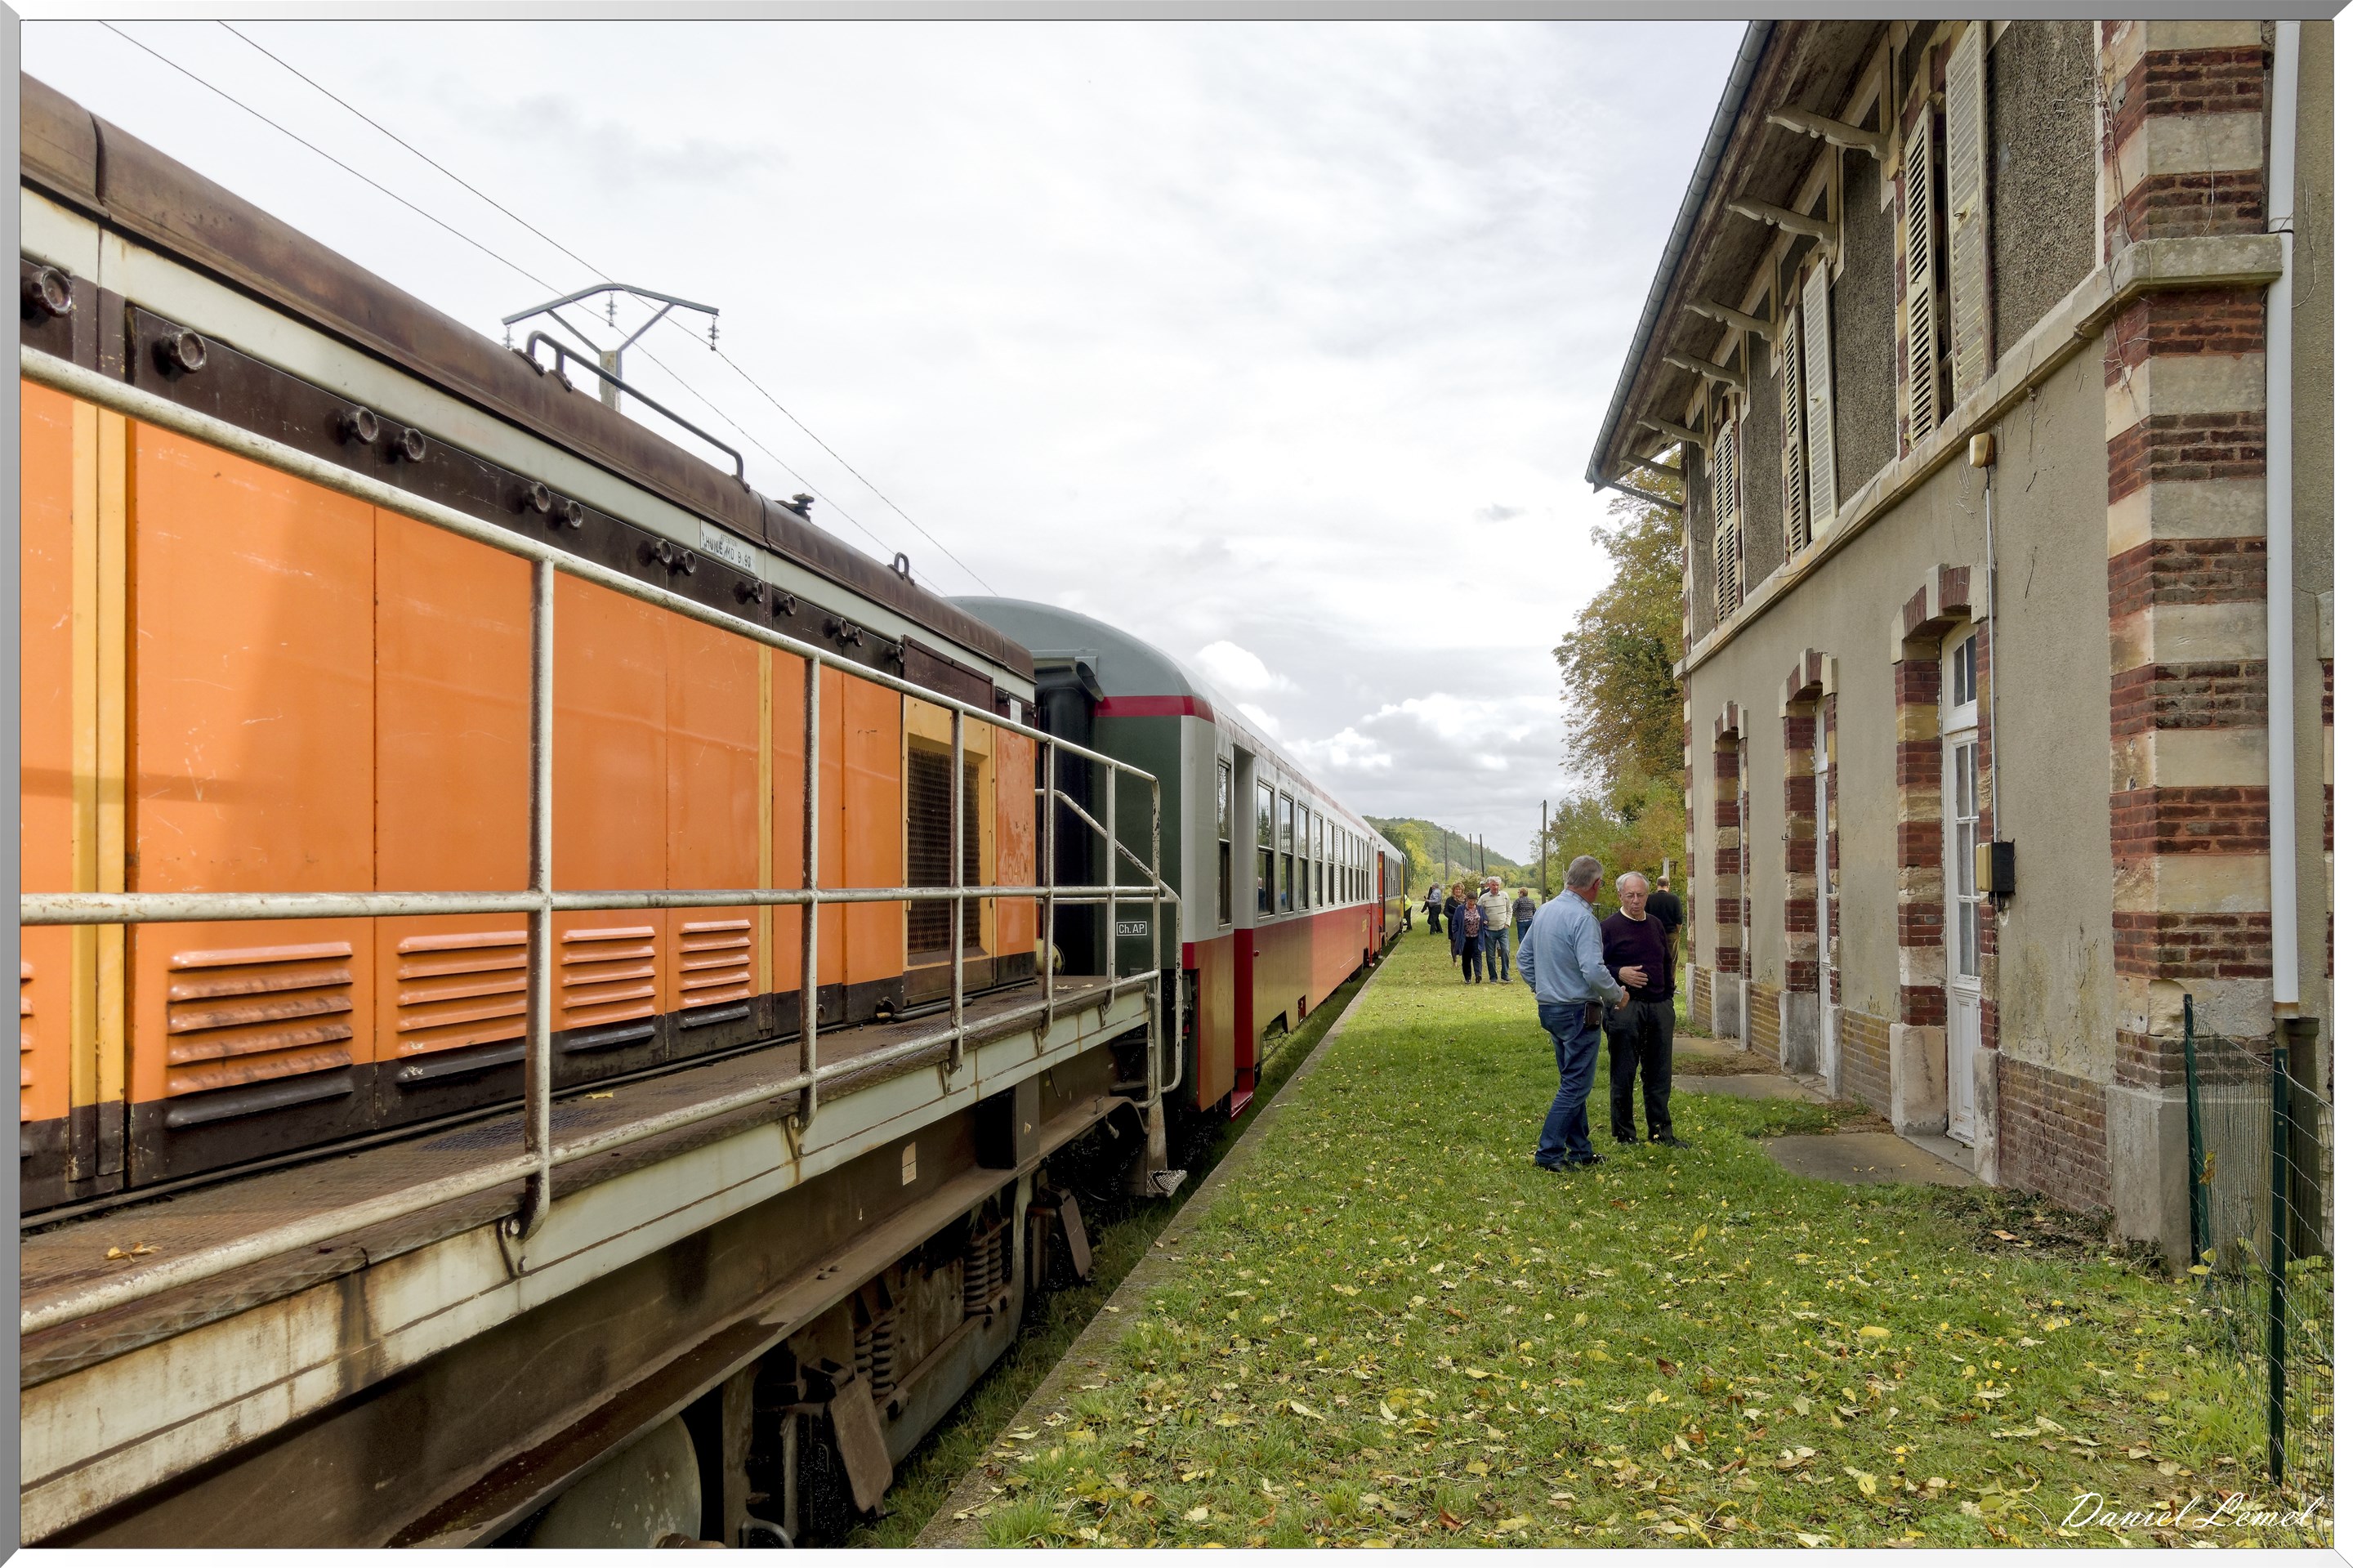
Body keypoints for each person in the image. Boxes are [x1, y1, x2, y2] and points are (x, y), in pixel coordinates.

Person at [1517, 855, 1628, 1170]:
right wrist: (1618, 995)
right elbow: (1593, 970)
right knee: (1576, 1085)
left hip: (1551, 1009)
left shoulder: (1546, 911)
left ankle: (1581, 1151)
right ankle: (1549, 1153)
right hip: (1579, 1011)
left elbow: (1524, 960)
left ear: (1568, 879)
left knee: (1571, 1079)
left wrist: (1543, 989)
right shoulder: (1583, 919)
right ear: (1596, 885)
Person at [1601, 871, 1685, 1147]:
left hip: (1659, 1007)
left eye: (1641, 895)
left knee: (1659, 1073)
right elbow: (1594, 968)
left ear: (1648, 895)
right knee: (1623, 1073)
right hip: (1626, 1008)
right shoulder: (1608, 927)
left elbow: (1666, 961)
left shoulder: (1656, 925)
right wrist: (1619, 972)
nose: (1636, 901)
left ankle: (1662, 1132)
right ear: (1620, 896)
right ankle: (1625, 1134)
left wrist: (1668, 998)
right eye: (1630, 896)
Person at [1476, 878, 1513, 982]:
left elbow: (1510, 910)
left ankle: (1505, 975)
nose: (1495, 887)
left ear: (1500, 885)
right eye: (1493, 885)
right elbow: (1478, 912)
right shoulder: (1484, 898)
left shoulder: (1505, 896)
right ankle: (1493, 977)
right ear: (1489, 885)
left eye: (1497, 885)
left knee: (1505, 951)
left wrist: (1507, 923)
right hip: (1490, 931)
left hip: (1503, 929)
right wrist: (1483, 922)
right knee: (1490, 955)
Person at [1648, 868, 1686, 966]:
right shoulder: (1675, 899)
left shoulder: (1650, 899)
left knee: (1655, 961)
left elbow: (1645, 917)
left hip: (1654, 934)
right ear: (1668, 886)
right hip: (1670, 934)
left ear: (1657, 885)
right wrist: (1677, 932)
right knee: (1671, 962)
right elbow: (1679, 920)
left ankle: (1657, 980)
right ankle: (1670, 981)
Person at [1456, 892, 1487, 983]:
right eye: (1470, 900)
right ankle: (1467, 977)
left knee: (1477, 956)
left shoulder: (1480, 909)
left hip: (1477, 937)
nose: (1472, 903)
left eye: (1473, 901)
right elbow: (1455, 923)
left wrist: (1485, 931)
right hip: (1465, 938)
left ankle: (1478, 975)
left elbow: (1485, 920)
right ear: (1466, 899)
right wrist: (1457, 934)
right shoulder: (1460, 909)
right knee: (1466, 958)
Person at [1511, 886, 1538, 980]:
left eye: (1519, 892)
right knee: (1529, 936)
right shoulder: (1531, 901)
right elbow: (1535, 911)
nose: (1518, 894)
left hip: (1521, 921)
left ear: (1522, 893)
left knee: (1521, 937)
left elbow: (1513, 909)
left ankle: (1524, 950)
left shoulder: (1519, 901)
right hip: (1530, 920)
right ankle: (1531, 949)